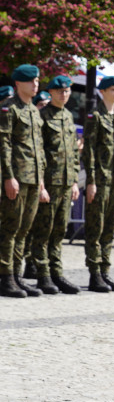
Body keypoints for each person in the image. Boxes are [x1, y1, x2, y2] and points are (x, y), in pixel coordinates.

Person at [27, 75, 81, 294]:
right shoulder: (42, 116)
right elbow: (38, 153)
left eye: (67, 91)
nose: (64, 94)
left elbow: (74, 154)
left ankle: (57, 273)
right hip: (49, 183)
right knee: (43, 230)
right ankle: (42, 275)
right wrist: (40, 185)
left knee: (59, 230)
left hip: (66, 183)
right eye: (60, 91)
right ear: (50, 93)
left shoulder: (68, 116)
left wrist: (75, 181)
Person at [0, 64, 48, 298]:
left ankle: (17, 276)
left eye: (37, 80)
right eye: (31, 81)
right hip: (17, 178)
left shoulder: (34, 111)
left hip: (33, 178)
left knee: (24, 230)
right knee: (10, 228)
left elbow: (38, 148)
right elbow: (5, 144)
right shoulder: (9, 109)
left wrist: (41, 181)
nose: (35, 84)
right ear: (18, 83)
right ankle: (5, 276)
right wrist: (9, 176)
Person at [82, 75, 114, 293]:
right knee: (96, 227)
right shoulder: (95, 116)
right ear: (102, 92)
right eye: (112, 89)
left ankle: (105, 271)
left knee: (110, 228)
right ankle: (94, 274)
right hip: (99, 181)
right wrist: (90, 181)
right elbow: (89, 151)